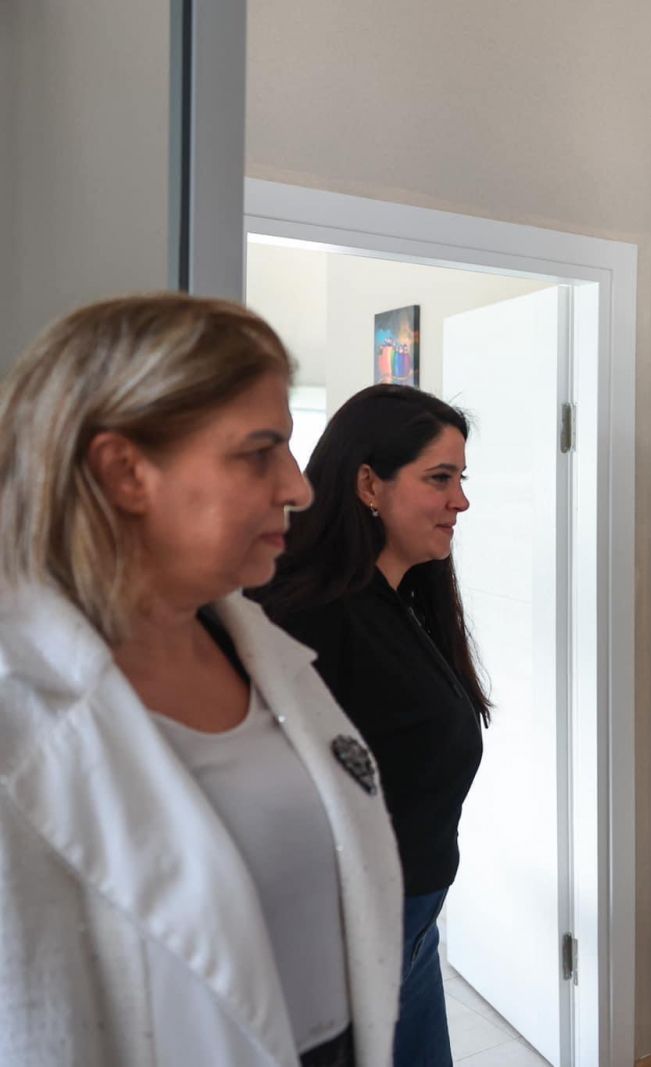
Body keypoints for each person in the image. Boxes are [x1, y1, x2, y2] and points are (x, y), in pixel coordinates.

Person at [0, 295, 402, 1067]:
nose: (299, 487)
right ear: (125, 471)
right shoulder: (20, 708)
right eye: (260, 451)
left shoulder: (258, 649)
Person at [253, 384, 489, 1067]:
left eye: (460, 479)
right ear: (368, 485)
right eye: (439, 478)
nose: (460, 501)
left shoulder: (401, 598)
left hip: (409, 928)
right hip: (350, 939)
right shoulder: (311, 615)